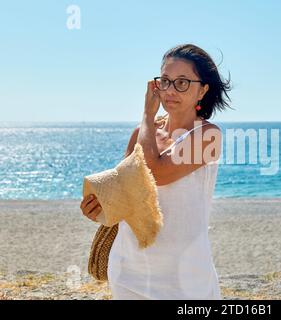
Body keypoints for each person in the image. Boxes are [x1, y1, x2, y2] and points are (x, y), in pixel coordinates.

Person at [80, 43, 232, 299]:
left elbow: (156, 172)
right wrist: (98, 209)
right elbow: (127, 193)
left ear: (202, 90)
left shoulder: (209, 135)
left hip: (185, 277)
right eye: (165, 81)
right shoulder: (141, 134)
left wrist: (147, 115)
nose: (170, 90)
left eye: (182, 82)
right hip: (129, 269)